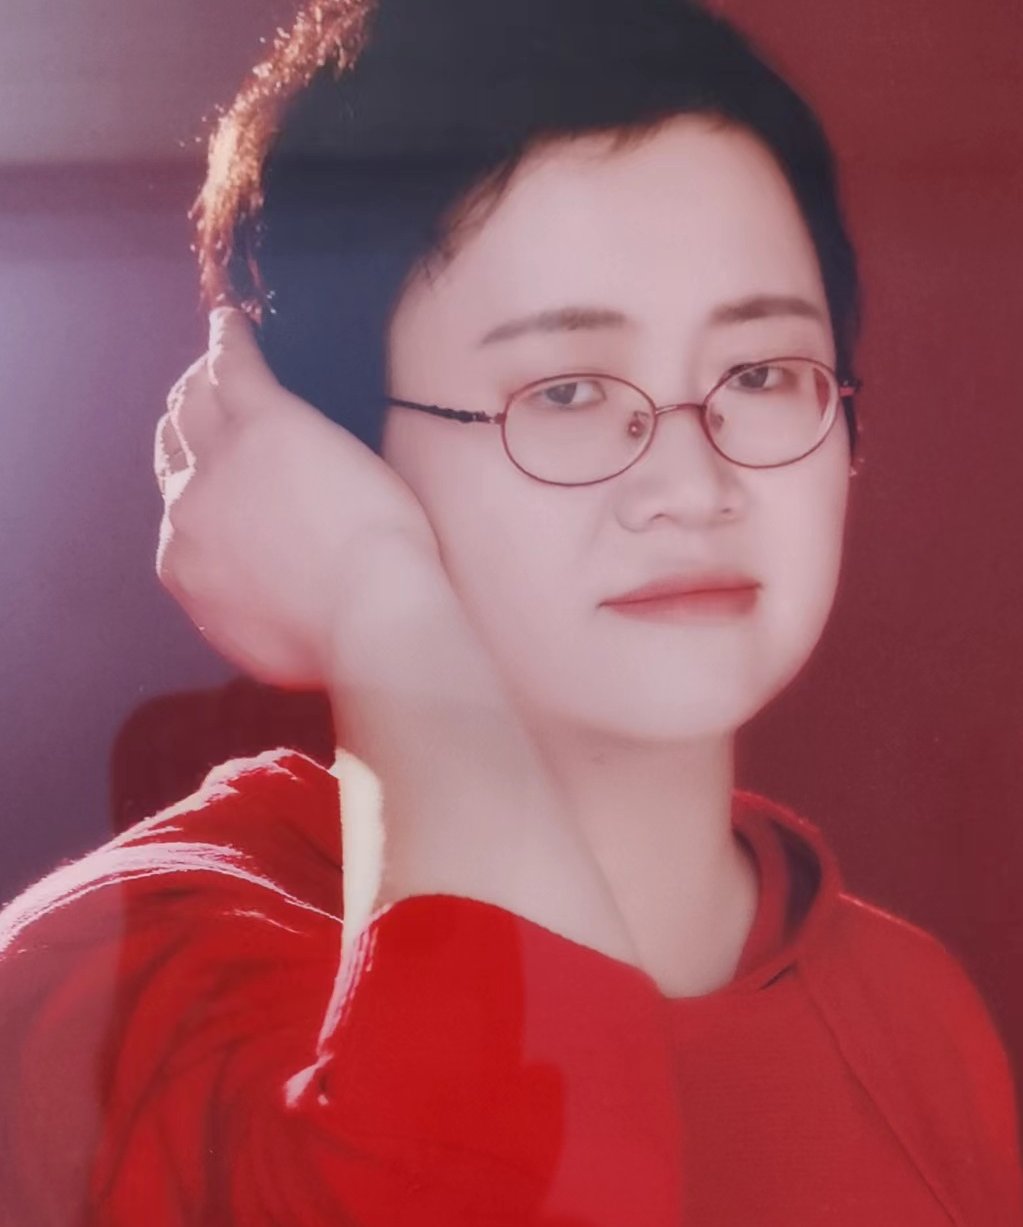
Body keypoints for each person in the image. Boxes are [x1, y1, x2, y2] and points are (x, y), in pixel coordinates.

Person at [1, 0, 1020, 1223]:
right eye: (566, 391)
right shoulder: (113, 980)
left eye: (760, 373)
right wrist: (379, 599)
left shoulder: (913, 1011)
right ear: (327, 446)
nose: (691, 483)